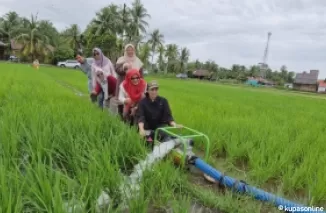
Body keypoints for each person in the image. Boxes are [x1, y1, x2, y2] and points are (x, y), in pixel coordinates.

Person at [115, 44, 144, 116]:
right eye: (128, 50)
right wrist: (125, 69)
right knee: (122, 100)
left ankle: (131, 118)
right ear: (125, 51)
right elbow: (117, 70)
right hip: (123, 82)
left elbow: (141, 75)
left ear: (134, 51)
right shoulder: (121, 59)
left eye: (131, 50)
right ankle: (121, 117)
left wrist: (140, 83)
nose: (130, 51)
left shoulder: (138, 61)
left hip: (134, 84)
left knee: (133, 101)